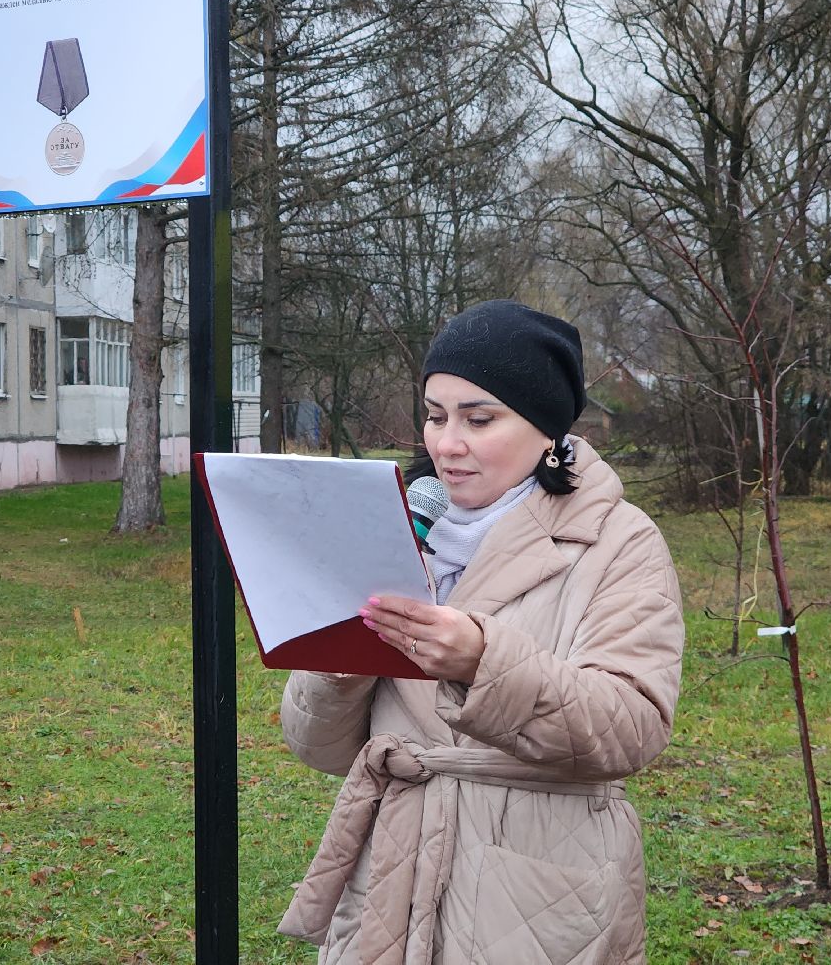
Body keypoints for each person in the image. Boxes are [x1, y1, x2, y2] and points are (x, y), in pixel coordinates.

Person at [279, 299, 685, 964]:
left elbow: (633, 728)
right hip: (390, 876)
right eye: (436, 416)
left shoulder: (619, 541)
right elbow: (316, 747)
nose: (447, 443)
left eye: (479, 418)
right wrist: (342, 662)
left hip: (534, 892)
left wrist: (483, 661)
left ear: (546, 426)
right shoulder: (394, 526)